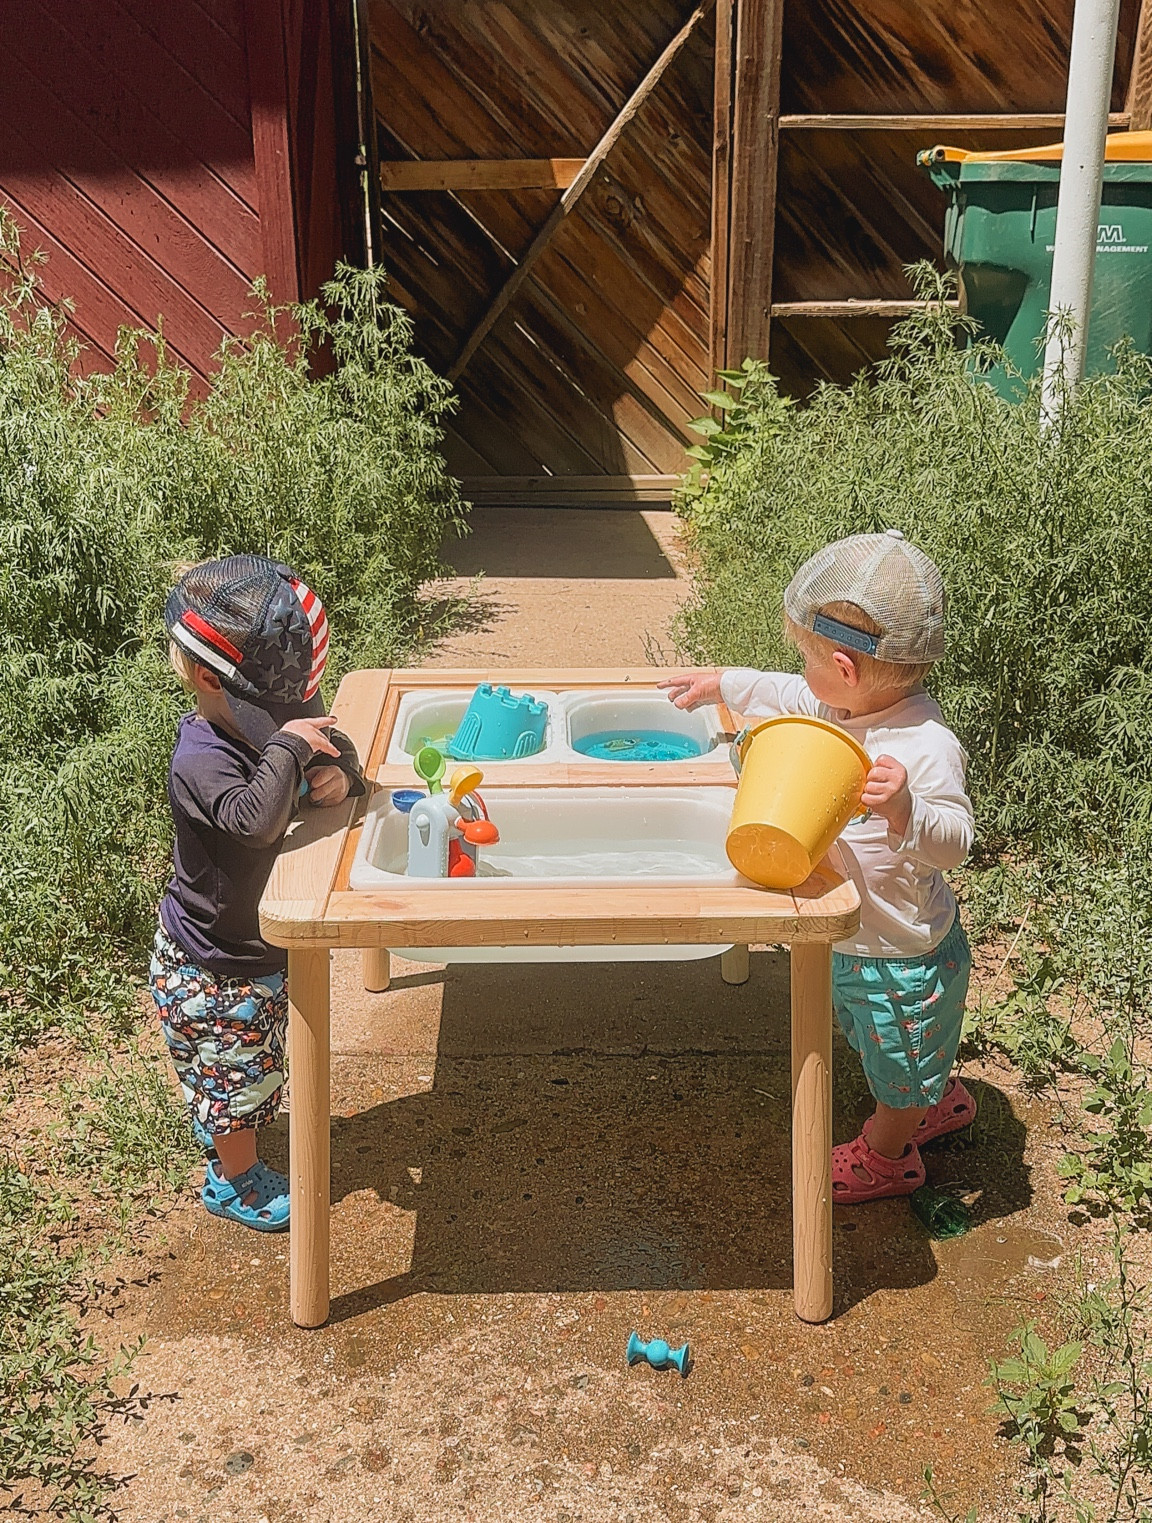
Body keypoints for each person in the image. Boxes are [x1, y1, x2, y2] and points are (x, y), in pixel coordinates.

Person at [661, 529, 975, 1202]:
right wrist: (726, 683)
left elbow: (957, 841)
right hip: (860, 938)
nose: (802, 675)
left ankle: (892, 1152)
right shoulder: (844, 703)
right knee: (880, 1044)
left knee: (894, 1060)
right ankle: (935, 1094)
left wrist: (906, 812)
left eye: (807, 660)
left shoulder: (924, 746)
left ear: (846, 666)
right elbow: (786, 695)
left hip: (905, 957)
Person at [150, 555, 365, 1231]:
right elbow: (253, 819)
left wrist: (341, 775)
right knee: (237, 1081)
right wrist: (289, 755)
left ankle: (223, 1122)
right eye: (274, 713)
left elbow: (328, 750)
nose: (287, 723)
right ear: (209, 680)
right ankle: (234, 1179)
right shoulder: (202, 758)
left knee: (245, 1066)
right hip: (209, 965)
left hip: (251, 951)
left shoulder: (263, 734)